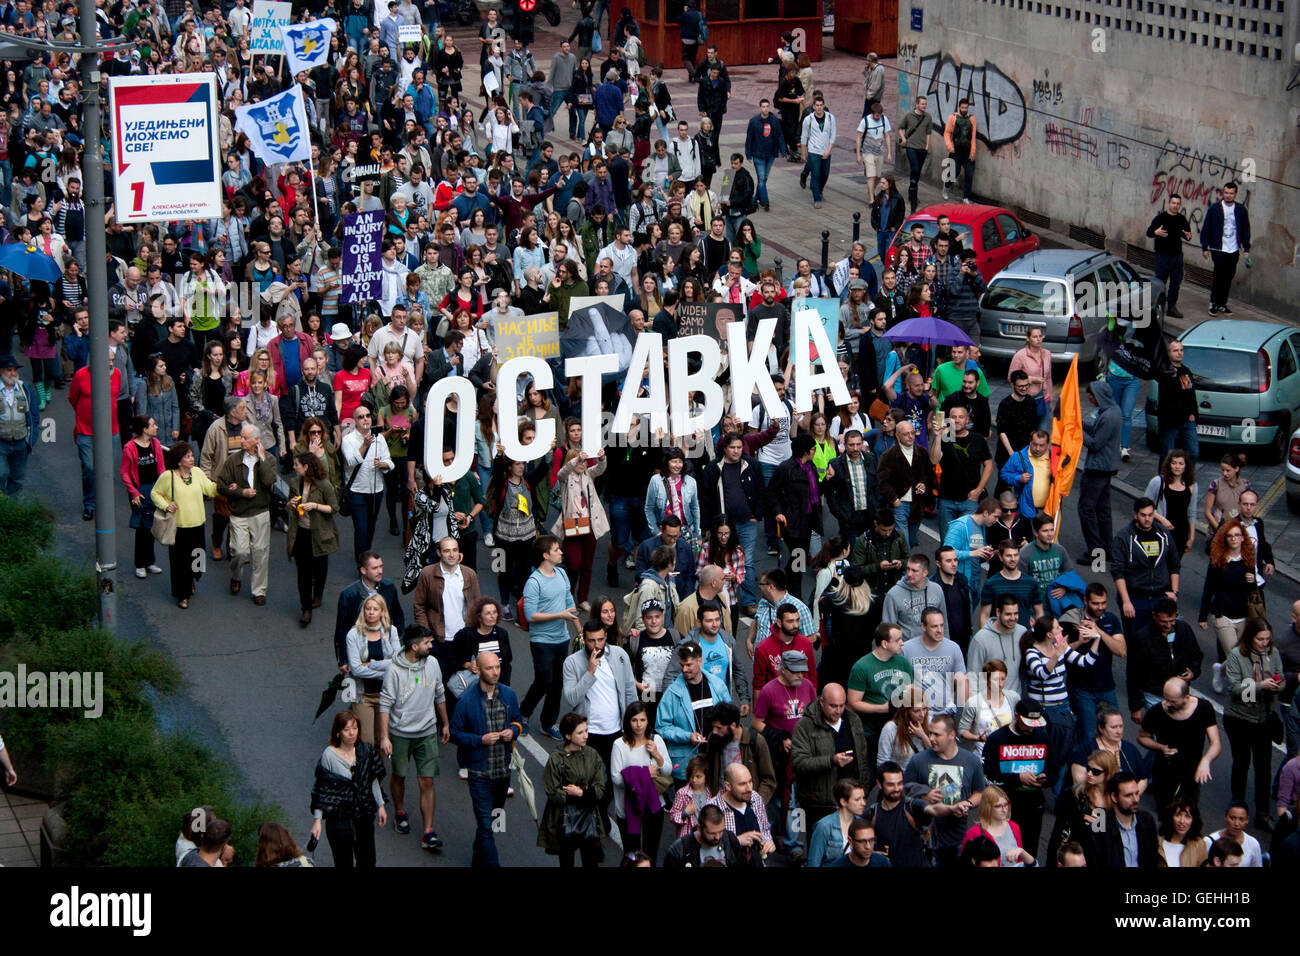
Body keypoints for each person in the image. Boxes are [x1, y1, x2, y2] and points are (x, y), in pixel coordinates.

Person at [449, 651, 524, 867]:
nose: (495, 672)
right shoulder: (467, 701)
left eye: (497, 667)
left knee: (492, 820)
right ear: (479, 670)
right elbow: (455, 734)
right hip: (479, 772)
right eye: (489, 668)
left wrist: (512, 731)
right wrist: (480, 740)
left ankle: (477, 854)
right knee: (484, 822)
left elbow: (518, 721)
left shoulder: (508, 695)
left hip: (502, 771)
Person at [378, 626, 451, 851]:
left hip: (427, 732)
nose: (432, 646)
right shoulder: (394, 670)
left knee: (426, 780)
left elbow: (440, 693)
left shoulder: (433, 664)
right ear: (414, 646)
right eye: (428, 643)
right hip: (400, 733)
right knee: (399, 775)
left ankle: (428, 831)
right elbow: (385, 703)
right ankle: (400, 811)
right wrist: (384, 737)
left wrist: (445, 723)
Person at [1223, 618, 1283, 830]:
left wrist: (1277, 684)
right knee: (1241, 762)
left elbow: (1280, 677)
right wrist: (1259, 686)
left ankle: (1263, 813)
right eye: (1260, 639)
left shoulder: (1273, 654)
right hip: (1239, 718)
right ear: (1250, 637)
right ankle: (1238, 809)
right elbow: (1234, 688)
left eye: (1267, 639)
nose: (1264, 643)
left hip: (1263, 718)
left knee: (1264, 766)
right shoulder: (1236, 656)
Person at [903, 713, 987, 866]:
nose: (931, 738)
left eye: (937, 734)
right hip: (927, 837)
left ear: (951, 735)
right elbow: (904, 791)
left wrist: (966, 804)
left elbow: (979, 793)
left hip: (960, 836)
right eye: (930, 733)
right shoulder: (918, 760)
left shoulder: (971, 761)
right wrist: (924, 795)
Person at [309, 710, 387, 868]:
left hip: (363, 815)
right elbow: (322, 790)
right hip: (339, 819)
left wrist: (380, 805)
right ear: (338, 732)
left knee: (368, 861)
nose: (351, 733)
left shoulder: (365, 751)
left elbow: (371, 780)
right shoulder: (329, 755)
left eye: (354, 728)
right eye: (346, 729)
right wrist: (317, 821)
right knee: (343, 862)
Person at [521, 536, 579, 740]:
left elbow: (570, 604)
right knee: (544, 680)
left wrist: (580, 631)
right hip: (542, 641)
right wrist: (559, 615)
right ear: (545, 555)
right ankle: (524, 713)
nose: (561, 552)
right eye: (556, 550)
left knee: (557, 683)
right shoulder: (534, 581)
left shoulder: (562, 574)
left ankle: (548, 723)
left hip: (561, 639)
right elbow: (531, 616)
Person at [791, 683, 873, 826]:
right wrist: (831, 761)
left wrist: (863, 790)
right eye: (833, 706)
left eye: (842, 705)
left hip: (851, 802)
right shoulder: (805, 726)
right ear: (821, 702)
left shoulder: (853, 720)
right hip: (819, 805)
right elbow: (799, 763)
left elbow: (863, 757)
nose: (838, 711)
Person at [150, 443, 219, 610]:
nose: (192, 458)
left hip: (197, 524)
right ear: (179, 461)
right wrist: (166, 505)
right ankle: (183, 594)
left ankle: (192, 579)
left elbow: (210, 490)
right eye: (187, 456)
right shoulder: (168, 476)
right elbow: (155, 493)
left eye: (192, 455)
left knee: (198, 558)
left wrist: (224, 487)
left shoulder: (197, 472)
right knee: (179, 562)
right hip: (179, 527)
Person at [215, 422, 277, 606]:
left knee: (260, 552)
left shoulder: (269, 460)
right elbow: (221, 485)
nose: (241, 440)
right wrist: (240, 492)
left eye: (245, 438)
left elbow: (268, 481)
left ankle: (259, 590)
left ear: (256, 441)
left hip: (260, 511)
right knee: (240, 551)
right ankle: (236, 575)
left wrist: (262, 459)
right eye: (241, 437)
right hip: (239, 512)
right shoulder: (233, 461)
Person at [1137, 676, 1221, 810]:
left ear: (1186, 697)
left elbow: (1215, 742)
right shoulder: (1157, 712)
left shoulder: (1203, 708)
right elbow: (1142, 736)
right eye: (1166, 699)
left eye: (1173, 701)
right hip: (1165, 770)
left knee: (1188, 810)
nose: (1168, 704)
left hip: (1192, 770)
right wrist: (1160, 747)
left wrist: (1206, 761)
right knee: (1166, 810)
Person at [981, 699, 1050, 858]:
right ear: (1016, 716)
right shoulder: (997, 739)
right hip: (1004, 808)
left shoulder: (1043, 737)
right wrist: (1017, 778)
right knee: (1001, 852)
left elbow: (1054, 769)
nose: (1032, 728)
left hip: (1033, 806)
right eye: (1027, 723)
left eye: (1035, 724)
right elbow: (988, 776)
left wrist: (1046, 778)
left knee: (1029, 851)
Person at [539, 712, 606, 867]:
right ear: (568, 736)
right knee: (566, 861)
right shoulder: (556, 758)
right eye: (580, 732)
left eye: (586, 731)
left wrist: (580, 793)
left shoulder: (592, 755)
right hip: (564, 819)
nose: (585, 736)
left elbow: (600, 788)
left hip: (589, 817)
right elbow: (553, 792)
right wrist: (582, 795)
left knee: (591, 861)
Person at [659, 641, 732, 781]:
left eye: (689, 665)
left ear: (700, 661)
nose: (684, 669)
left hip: (715, 757)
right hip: (688, 762)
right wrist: (687, 736)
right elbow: (662, 726)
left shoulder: (717, 685)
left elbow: (729, 717)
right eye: (681, 665)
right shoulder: (672, 692)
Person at [1112, 498, 1180, 641]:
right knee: (1137, 643)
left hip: (1160, 596)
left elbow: (1174, 564)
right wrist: (1126, 601)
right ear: (1135, 515)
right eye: (1143, 515)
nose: (1147, 519)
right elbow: (1118, 572)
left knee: (1163, 642)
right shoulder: (1123, 537)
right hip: (1136, 599)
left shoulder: (1164, 534)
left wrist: (1174, 592)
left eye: (1150, 515)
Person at [609, 701, 670, 859]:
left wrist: (657, 755)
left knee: (651, 852)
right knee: (631, 855)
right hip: (627, 808)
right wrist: (644, 775)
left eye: (642, 720)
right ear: (628, 722)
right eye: (634, 720)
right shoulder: (619, 745)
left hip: (653, 805)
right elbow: (616, 778)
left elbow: (668, 770)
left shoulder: (656, 740)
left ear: (648, 721)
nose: (638, 725)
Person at [341, 406, 394, 560]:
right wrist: (364, 445)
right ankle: (363, 563)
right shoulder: (348, 440)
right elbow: (351, 462)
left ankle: (365, 555)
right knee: (361, 528)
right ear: (355, 421)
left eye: (368, 416)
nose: (365, 419)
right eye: (361, 417)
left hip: (376, 490)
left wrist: (383, 465)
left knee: (371, 526)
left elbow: (389, 462)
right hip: (357, 491)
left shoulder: (380, 438)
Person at [1077, 381, 1120, 561]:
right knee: (1102, 511)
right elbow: (1095, 431)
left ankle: (1095, 551)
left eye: (1092, 396)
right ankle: (1107, 549)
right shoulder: (1112, 411)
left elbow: (1095, 443)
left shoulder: (1108, 416)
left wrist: (1076, 432)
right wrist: (1080, 424)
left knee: (1086, 509)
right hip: (1106, 468)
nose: (1090, 399)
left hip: (1097, 468)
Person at [1082, 771, 1158, 868]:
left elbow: (1152, 860)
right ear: (1114, 797)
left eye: (1137, 793)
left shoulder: (1146, 820)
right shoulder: (1100, 826)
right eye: (1128, 795)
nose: (1135, 799)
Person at [707, 762, 776, 864]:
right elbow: (706, 849)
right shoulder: (712, 808)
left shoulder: (756, 799)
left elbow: (765, 829)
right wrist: (737, 841)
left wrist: (768, 842)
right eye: (742, 784)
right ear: (728, 786)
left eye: (750, 781)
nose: (749, 788)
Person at [1199, 181, 1251, 315]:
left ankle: (1222, 303)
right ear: (1223, 193)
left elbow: (1245, 229)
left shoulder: (1240, 210)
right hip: (1218, 248)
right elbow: (1206, 227)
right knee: (1219, 276)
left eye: (1231, 193)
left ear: (1235, 194)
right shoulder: (1215, 208)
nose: (1228, 196)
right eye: (1226, 193)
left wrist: (1246, 249)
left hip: (1233, 249)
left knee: (1228, 277)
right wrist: (1205, 247)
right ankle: (1213, 303)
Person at [866, 760, 929, 866]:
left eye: (899, 783)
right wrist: (871, 854)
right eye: (891, 785)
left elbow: (932, 810)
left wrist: (950, 808)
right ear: (879, 784)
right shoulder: (871, 813)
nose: (896, 789)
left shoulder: (912, 806)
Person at [663, 802, 761, 868]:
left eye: (721, 831)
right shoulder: (680, 849)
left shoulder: (729, 839)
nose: (718, 837)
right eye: (712, 833)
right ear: (699, 828)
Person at [0, 354, 39, 495]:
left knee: (17, 479)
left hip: (20, 443)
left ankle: (13, 510)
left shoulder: (24, 388)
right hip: (1, 443)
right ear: (1, 371)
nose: (13, 373)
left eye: (15, 370)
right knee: (1, 473)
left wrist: (31, 440)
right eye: (9, 370)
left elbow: (34, 415)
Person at [1154, 339, 1199, 458]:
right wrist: (1173, 376)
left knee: (1193, 453)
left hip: (1187, 420)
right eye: (1175, 350)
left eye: (1181, 350)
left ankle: (1187, 476)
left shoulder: (1186, 371)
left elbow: (1190, 394)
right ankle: (1164, 477)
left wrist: (1194, 414)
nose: (1179, 353)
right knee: (1167, 455)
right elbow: (1170, 394)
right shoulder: (1164, 371)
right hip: (1170, 422)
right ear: (1168, 353)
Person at [807, 778, 867, 867]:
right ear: (843, 801)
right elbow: (814, 862)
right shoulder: (824, 826)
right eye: (857, 799)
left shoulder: (862, 824)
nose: (863, 803)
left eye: (863, 798)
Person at [799, 95, 835, 210]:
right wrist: (804, 154)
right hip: (813, 150)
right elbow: (804, 138)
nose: (819, 108)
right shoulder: (808, 120)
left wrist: (828, 151)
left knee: (825, 174)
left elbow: (832, 136)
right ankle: (817, 198)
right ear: (813, 107)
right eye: (817, 105)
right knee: (816, 174)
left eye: (821, 105)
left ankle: (819, 190)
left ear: (823, 106)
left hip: (826, 151)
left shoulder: (830, 118)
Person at [897, 94, 930, 213]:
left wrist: (927, 146)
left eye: (925, 104)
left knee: (917, 172)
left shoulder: (928, 117)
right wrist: (903, 139)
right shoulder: (909, 116)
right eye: (922, 104)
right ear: (916, 104)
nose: (924, 106)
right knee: (915, 168)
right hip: (911, 147)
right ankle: (913, 191)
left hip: (922, 148)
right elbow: (900, 128)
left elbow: (928, 132)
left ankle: (912, 189)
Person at [1203, 802, 1263, 867]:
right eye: (1232, 818)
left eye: (1241, 819)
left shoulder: (1253, 844)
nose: (1236, 823)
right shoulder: (1208, 841)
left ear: (1247, 820)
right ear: (1225, 817)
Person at [1155, 796, 1207, 867]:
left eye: (1187, 816)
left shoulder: (1199, 845)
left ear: (1193, 820)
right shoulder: (1157, 842)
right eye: (1178, 815)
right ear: (1171, 817)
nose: (1182, 821)